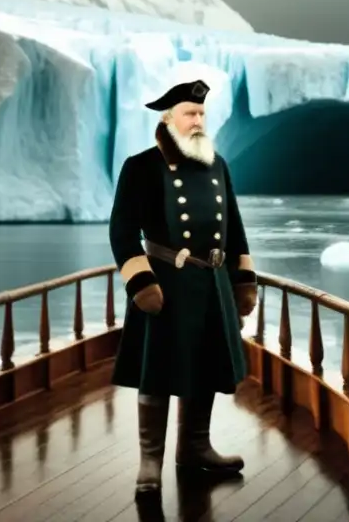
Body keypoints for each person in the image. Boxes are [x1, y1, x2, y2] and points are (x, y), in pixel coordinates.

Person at [108, 78, 259, 495]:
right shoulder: (141, 166)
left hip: (210, 283)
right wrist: (141, 281)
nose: (197, 121)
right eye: (190, 114)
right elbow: (122, 232)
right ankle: (149, 464)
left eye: (201, 114)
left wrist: (242, 279)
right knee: (156, 374)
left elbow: (235, 229)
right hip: (165, 285)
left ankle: (195, 448)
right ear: (168, 118)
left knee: (205, 366)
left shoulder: (217, 165)